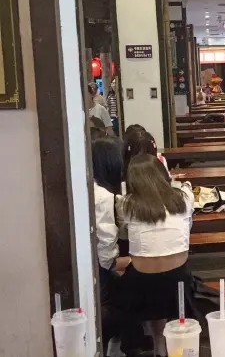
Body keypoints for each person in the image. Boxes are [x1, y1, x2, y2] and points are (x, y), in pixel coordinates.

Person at [118, 154, 195, 357]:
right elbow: (187, 229)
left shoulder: (126, 204)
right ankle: (177, 343)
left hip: (142, 283)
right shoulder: (184, 198)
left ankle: (156, 344)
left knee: (127, 274)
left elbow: (125, 236)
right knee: (172, 272)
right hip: (178, 277)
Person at [91, 136, 147, 356]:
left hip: (91, 269)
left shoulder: (90, 190)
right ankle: (131, 343)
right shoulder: (104, 198)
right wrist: (138, 261)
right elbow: (108, 260)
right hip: (100, 275)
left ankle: (131, 340)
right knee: (138, 280)